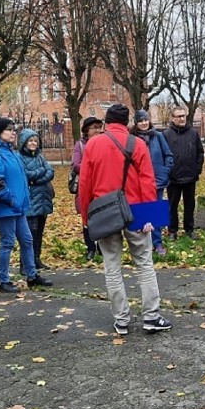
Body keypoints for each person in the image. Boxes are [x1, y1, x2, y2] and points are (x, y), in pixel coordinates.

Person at [78, 104, 172, 335]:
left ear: (107, 121)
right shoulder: (137, 144)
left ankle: (121, 320)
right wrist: (150, 216)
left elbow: (85, 183)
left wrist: (85, 215)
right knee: (144, 264)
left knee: (112, 267)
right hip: (136, 211)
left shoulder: (93, 144)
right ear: (126, 121)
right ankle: (151, 316)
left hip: (104, 212)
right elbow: (148, 181)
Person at [0, 117, 41, 293]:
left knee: (27, 240)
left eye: (14, 129)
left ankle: (31, 275)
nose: (13, 132)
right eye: (9, 129)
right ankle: (2, 280)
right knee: (7, 242)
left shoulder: (10, 151)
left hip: (18, 207)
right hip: (6, 207)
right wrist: (11, 199)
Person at [131, 109, 173, 255]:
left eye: (145, 120)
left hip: (157, 180)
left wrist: (165, 171)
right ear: (136, 123)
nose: (143, 123)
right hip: (138, 182)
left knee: (155, 212)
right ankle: (142, 244)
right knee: (140, 211)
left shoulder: (158, 136)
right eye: (140, 121)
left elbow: (168, 155)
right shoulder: (132, 138)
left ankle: (157, 243)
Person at [18, 128, 55, 280]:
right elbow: (25, 175)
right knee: (29, 234)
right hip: (30, 201)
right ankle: (25, 264)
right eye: (30, 141)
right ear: (24, 142)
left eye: (35, 141)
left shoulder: (40, 157)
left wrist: (37, 178)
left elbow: (50, 172)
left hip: (43, 200)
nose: (33, 143)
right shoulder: (19, 157)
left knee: (39, 232)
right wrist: (41, 174)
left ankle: (36, 259)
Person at [163, 106, 204, 240]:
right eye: (179, 116)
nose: (182, 119)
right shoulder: (166, 134)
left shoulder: (193, 133)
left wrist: (196, 169)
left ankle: (189, 229)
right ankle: (172, 231)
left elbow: (200, 153)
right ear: (172, 118)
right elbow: (163, 155)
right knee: (172, 206)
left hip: (190, 176)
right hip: (173, 178)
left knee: (189, 205)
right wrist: (167, 172)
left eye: (183, 116)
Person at [72, 116, 104, 261]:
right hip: (86, 187)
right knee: (87, 218)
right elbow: (76, 165)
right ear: (86, 130)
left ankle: (102, 247)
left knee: (104, 217)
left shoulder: (105, 142)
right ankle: (90, 248)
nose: (97, 130)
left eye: (99, 127)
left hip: (102, 185)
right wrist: (92, 166)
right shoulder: (80, 145)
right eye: (94, 128)